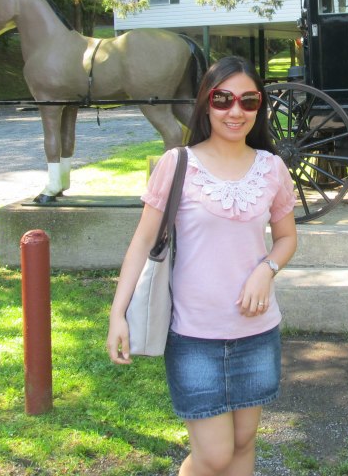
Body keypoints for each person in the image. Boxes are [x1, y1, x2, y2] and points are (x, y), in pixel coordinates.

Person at [107, 55, 298, 476]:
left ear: (259, 108)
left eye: (248, 102)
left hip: (257, 333)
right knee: (213, 456)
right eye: (223, 99)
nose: (235, 111)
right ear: (206, 103)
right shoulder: (177, 164)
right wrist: (117, 314)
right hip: (194, 338)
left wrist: (266, 269)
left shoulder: (271, 168)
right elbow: (141, 242)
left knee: (244, 445)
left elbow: (286, 238)